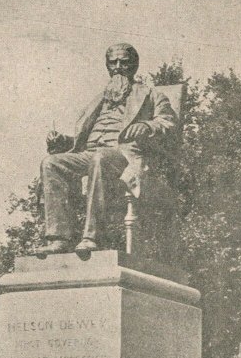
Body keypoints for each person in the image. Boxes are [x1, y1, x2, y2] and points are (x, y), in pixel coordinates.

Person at [37, 43, 178, 256]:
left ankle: (92, 237)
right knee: (52, 163)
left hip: (123, 156)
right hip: (90, 153)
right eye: (113, 63)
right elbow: (84, 139)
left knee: (100, 158)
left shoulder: (150, 94)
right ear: (107, 66)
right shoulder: (99, 100)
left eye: (124, 62)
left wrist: (147, 125)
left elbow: (169, 124)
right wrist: (63, 140)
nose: (119, 67)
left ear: (134, 66)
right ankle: (58, 238)